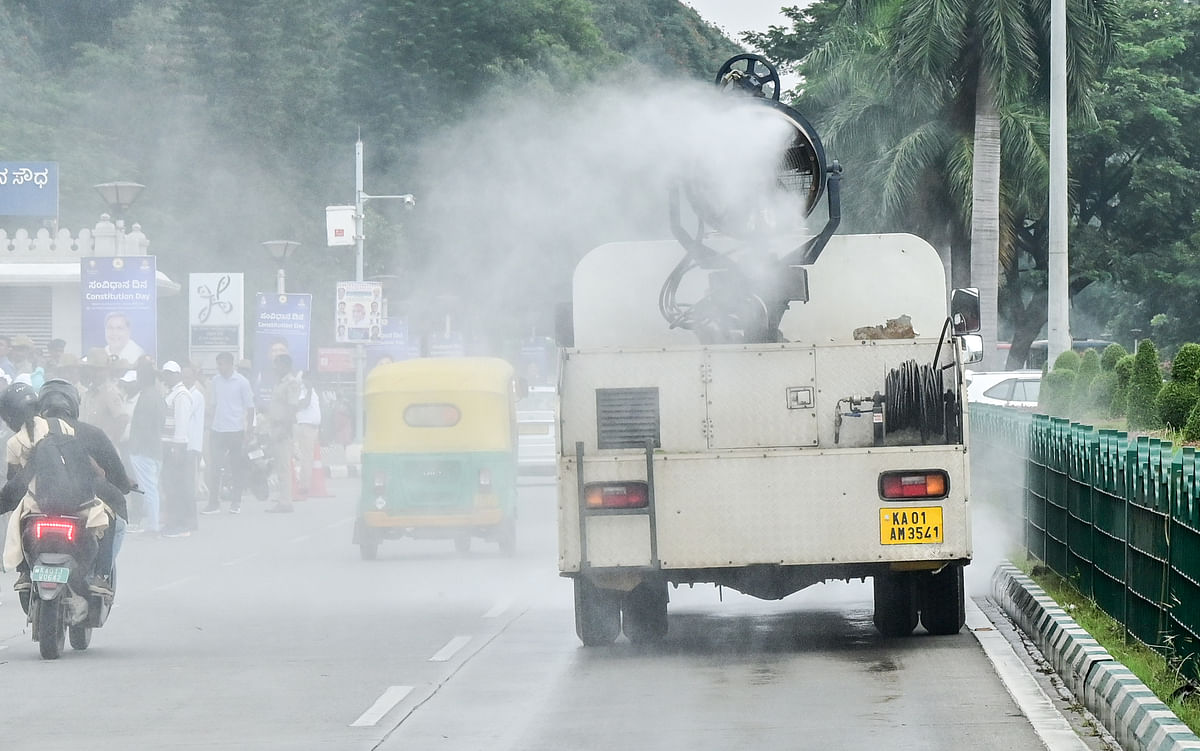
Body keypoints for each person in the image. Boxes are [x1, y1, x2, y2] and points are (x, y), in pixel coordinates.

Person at [0, 383, 110, 594]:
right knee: (103, 520)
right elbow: (81, 460)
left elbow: (15, 484)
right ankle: (99, 577)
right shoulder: (60, 426)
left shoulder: (14, 443)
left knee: (18, 521)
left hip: (37, 504)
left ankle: (24, 573)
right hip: (75, 502)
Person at [34, 379, 133, 590]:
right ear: (73, 404)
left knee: (20, 517)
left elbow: (16, 470)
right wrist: (124, 485)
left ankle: (25, 574)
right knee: (114, 522)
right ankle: (101, 576)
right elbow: (115, 471)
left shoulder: (32, 432)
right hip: (84, 502)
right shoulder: (92, 433)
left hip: (40, 501)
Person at [204, 352, 255, 514]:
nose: (220, 367)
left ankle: (236, 501)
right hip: (218, 430)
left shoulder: (242, 382)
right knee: (215, 467)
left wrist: (249, 429)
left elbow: (250, 406)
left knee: (235, 467)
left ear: (231, 365)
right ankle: (213, 503)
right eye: (218, 364)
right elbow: (213, 404)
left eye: (223, 364)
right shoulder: (215, 381)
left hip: (235, 430)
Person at [125, 361, 164, 534]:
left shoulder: (147, 397)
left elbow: (143, 426)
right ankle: (152, 523)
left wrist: (136, 447)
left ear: (141, 378)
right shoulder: (157, 395)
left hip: (144, 450)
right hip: (154, 448)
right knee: (151, 487)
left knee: (149, 488)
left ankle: (153, 525)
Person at [160, 361, 194, 538]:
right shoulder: (172, 393)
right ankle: (173, 521)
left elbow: (181, 424)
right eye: (166, 373)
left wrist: (177, 448)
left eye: (171, 373)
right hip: (168, 445)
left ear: (178, 375)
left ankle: (179, 524)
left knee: (175, 486)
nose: (168, 376)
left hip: (176, 446)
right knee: (170, 486)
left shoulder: (181, 395)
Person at [266, 353, 301, 513]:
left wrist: (284, 430)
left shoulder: (291, 383)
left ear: (285, 366)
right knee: (279, 465)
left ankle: (286, 502)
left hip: (283, 428)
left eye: (277, 365)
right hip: (275, 427)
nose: (275, 368)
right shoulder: (280, 383)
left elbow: (292, 410)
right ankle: (283, 498)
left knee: (284, 466)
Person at [81, 347, 129, 446]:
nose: (95, 373)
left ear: (106, 371)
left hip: (103, 452)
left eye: (99, 370)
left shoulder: (110, 392)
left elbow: (122, 419)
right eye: (92, 369)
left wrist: (110, 443)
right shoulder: (89, 392)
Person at [293, 370, 321, 500]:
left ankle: (305, 484)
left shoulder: (312, 390)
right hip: (305, 427)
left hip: (313, 428)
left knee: (308, 457)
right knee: (306, 457)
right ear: (303, 380)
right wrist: (308, 390)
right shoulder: (302, 390)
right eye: (308, 378)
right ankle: (303, 485)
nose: (311, 381)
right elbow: (303, 404)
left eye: (312, 378)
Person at [182, 363, 206, 502]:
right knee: (184, 475)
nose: (186, 380)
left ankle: (189, 503)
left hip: (191, 443)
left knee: (190, 476)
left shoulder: (196, 395)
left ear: (194, 377)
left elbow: (185, 413)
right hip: (184, 442)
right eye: (183, 377)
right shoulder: (184, 394)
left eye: (188, 377)